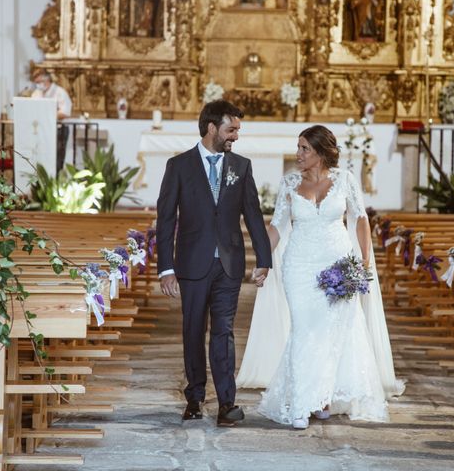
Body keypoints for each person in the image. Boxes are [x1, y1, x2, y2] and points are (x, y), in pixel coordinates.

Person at [238, 125, 404, 429]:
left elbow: (360, 220)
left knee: (332, 333)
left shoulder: (345, 180)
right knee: (304, 330)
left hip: (337, 264)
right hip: (298, 266)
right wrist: (262, 260)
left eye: (305, 149)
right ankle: (301, 403)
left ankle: (323, 397)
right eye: (298, 147)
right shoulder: (289, 183)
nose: (298, 154)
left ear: (321, 153)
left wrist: (363, 263)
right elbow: (275, 226)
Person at [156, 99, 272, 427]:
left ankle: (226, 404)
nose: (235, 135)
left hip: (229, 265)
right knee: (193, 332)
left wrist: (264, 258)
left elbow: (252, 213)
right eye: (231, 129)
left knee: (223, 332)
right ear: (211, 128)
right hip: (191, 265)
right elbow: (165, 220)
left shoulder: (241, 166)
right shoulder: (178, 166)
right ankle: (194, 398)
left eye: (237, 129)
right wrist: (166, 268)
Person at [31, 70, 72, 171]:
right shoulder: (36, 93)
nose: (37, 85)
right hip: (40, 130)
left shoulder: (60, 92)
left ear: (47, 80)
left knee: (57, 159)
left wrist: (47, 116)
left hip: (58, 130)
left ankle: (55, 182)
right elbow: (31, 107)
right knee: (41, 157)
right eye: (36, 82)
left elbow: (65, 112)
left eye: (39, 82)